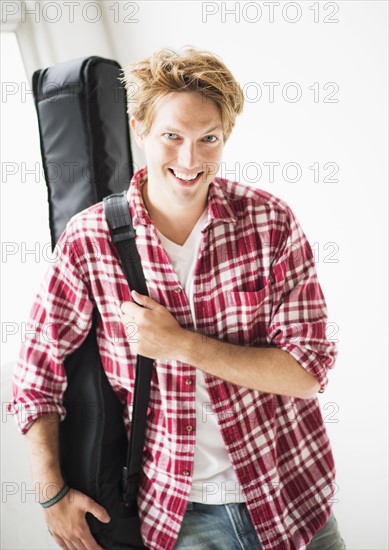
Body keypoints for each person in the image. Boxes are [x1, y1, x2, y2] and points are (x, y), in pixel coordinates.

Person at [10, 47, 346, 550]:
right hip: (180, 516)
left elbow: (307, 371)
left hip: (292, 496)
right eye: (172, 136)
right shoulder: (90, 239)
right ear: (139, 129)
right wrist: (49, 493)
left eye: (208, 139)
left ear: (225, 136)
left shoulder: (269, 222)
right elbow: (36, 374)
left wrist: (181, 345)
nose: (190, 161)